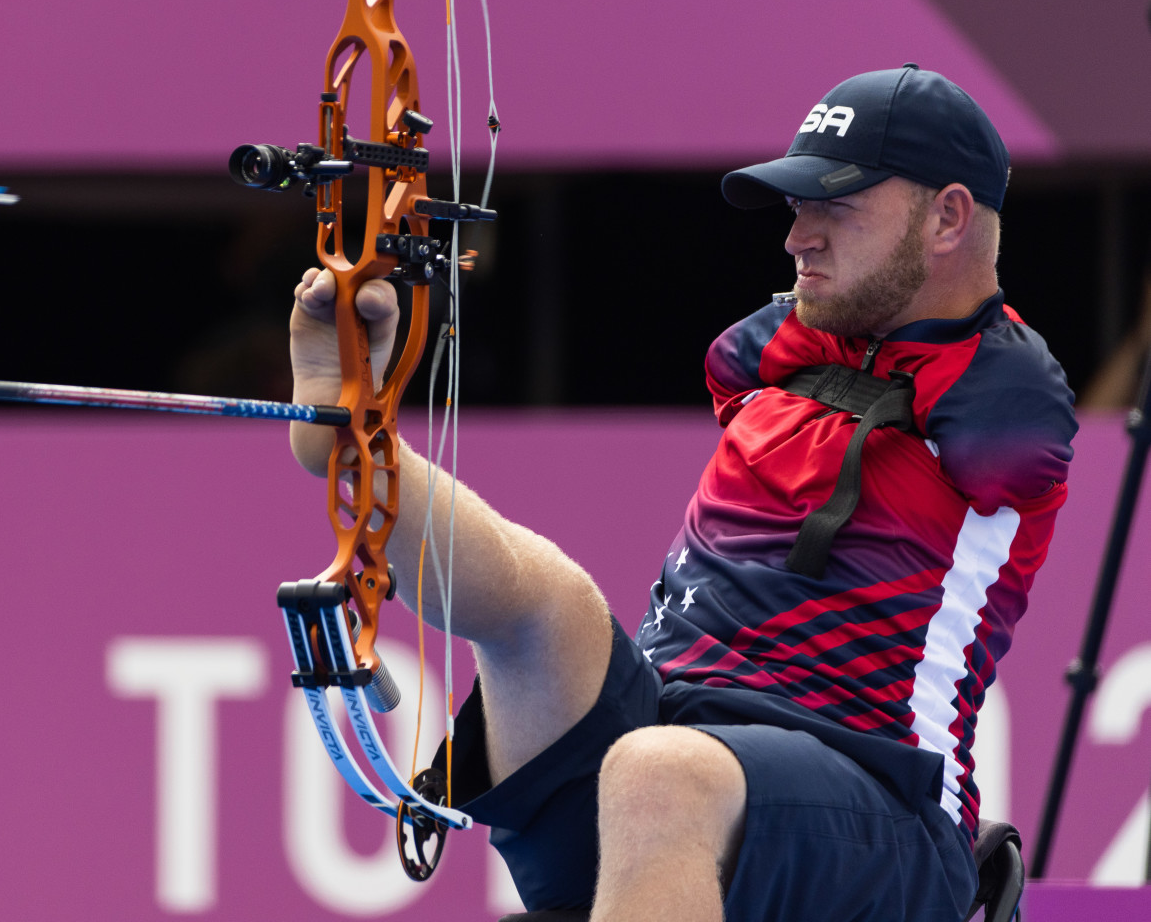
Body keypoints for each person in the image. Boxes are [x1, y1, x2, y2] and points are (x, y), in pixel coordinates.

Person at [287, 65, 1077, 922]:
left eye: (834, 206)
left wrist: (872, 360)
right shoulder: (781, 347)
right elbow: (742, 359)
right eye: (795, 207)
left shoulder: (1003, 393)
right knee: (549, 600)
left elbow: (1012, 434)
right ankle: (353, 431)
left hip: (880, 813)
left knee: (659, 771)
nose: (796, 239)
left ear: (948, 217)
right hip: (657, 769)